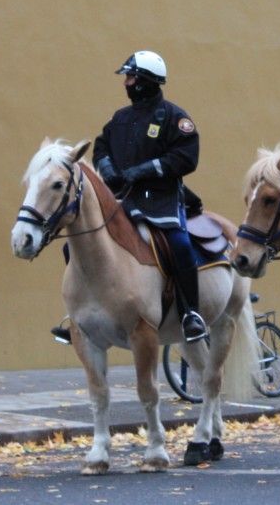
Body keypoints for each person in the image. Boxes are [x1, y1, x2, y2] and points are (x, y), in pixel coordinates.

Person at [93, 50, 208, 342]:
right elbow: (101, 146)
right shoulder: (119, 118)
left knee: (180, 245)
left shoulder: (175, 117)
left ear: (145, 81)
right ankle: (83, 313)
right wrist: (107, 168)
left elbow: (186, 157)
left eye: (130, 77)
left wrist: (144, 170)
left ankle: (190, 314)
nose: (126, 83)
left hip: (160, 199)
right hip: (121, 200)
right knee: (80, 243)